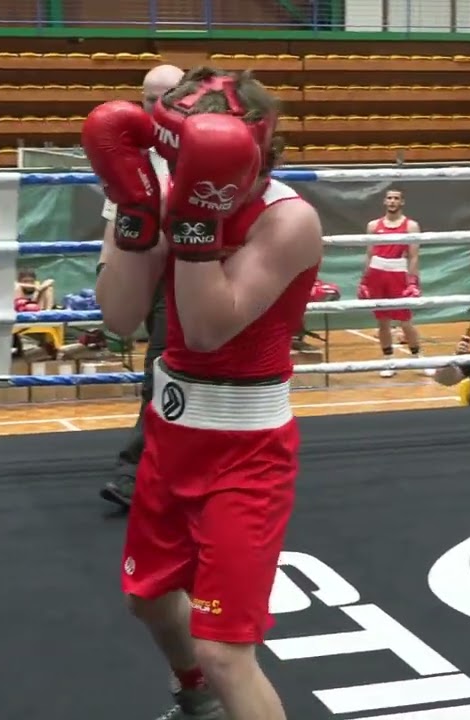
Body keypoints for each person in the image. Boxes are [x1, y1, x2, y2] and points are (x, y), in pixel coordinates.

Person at [83, 65, 322, 720]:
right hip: (170, 437)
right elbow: (120, 316)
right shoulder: (162, 193)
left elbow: (210, 328)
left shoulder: (289, 220)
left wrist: (193, 223)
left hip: (246, 451)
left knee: (225, 650)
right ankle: (198, 703)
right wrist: (134, 210)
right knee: (149, 598)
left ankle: (211, 685)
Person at [99, 63, 183, 509]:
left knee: (163, 368)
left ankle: (133, 470)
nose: (158, 106)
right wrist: (107, 267)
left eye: (168, 96)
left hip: (192, 267)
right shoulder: (132, 151)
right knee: (166, 368)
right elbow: (116, 217)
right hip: (146, 267)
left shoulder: (207, 144)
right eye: (150, 98)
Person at [358, 189, 431, 377]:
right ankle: (388, 360)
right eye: (389, 198)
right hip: (376, 273)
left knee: (405, 320)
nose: (392, 201)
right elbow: (369, 254)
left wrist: (413, 282)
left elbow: (414, 257)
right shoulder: (373, 225)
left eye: (396, 198)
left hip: (398, 272)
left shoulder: (411, 226)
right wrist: (364, 281)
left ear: (402, 202)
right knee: (382, 321)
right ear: (384, 201)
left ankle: (418, 358)